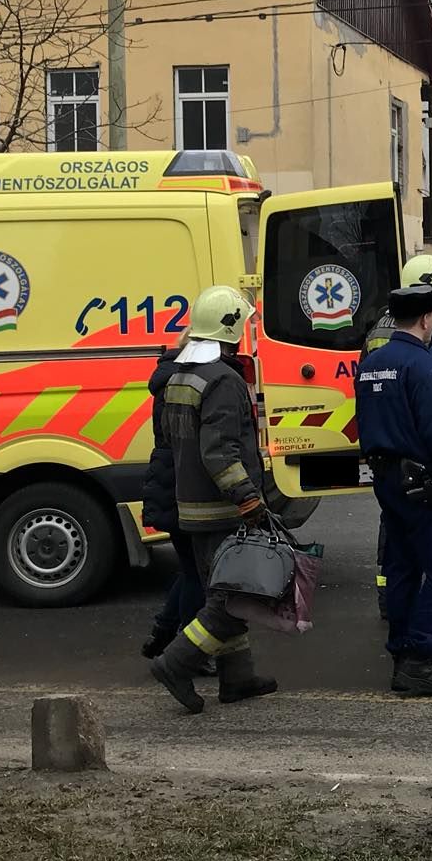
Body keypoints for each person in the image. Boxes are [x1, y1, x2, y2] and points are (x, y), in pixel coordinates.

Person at [149, 286, 281, 713]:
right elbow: (220, 451)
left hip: (191, 506)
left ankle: (237, 677)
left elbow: (176, 442)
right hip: (222, 510)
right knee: (230, 602)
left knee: (224, 592)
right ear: (232, 328)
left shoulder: (182, 374)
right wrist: (248, 498)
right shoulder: (222, 379)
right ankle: (176, 662)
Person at [357, 280, 432, 696]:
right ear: (428, 319)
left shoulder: (373, 362)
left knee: (403, 569)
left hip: (387, 480)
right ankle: (419, 658)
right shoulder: (424, 366)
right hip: (424, 483)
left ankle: (401, 651)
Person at [366, 254, 432, 616]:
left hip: (386, 452)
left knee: (392, 528)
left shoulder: (375, 331)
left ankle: (390, 597)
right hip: (421, 454)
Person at [138, 343, 209, 672]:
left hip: (169, 481)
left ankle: (164, 633)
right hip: (183, 483)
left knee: (189, 567)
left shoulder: (168, 378)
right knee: (198, 574)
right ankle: (188, 652)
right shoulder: (185, 383)